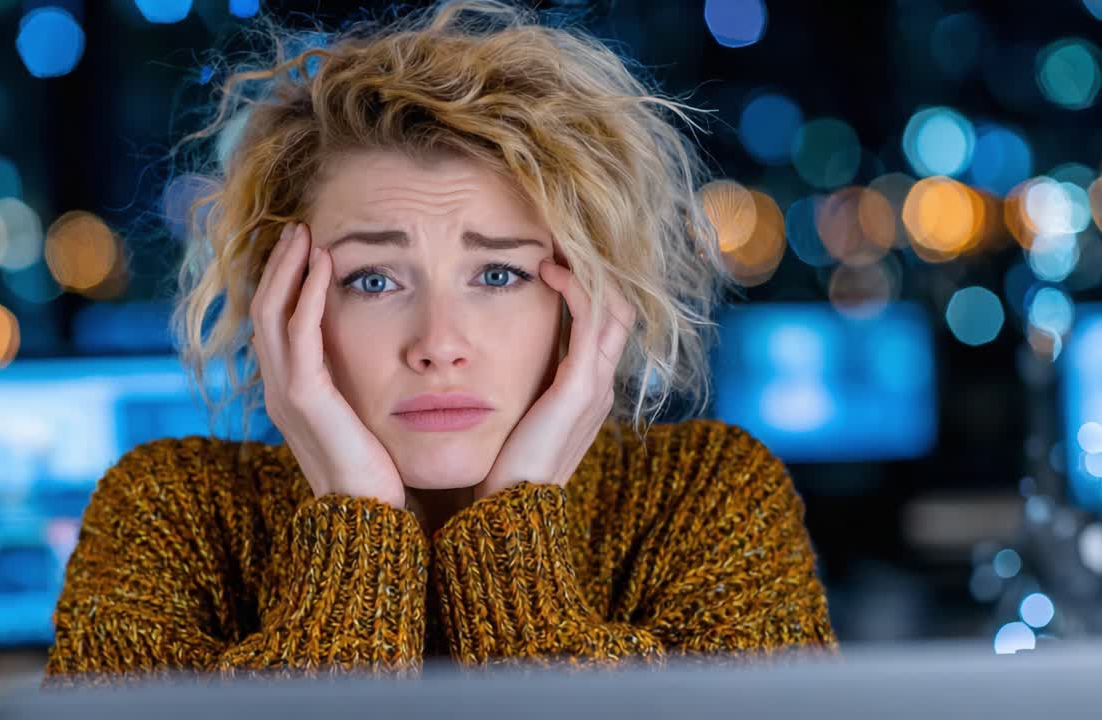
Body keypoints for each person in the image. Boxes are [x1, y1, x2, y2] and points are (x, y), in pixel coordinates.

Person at [42, 0, 839, 687]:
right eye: (373, 281)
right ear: (284, 303)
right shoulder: (170, 511)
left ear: (588, 298)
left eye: (497, 275)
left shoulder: (705, 497)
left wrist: (516, 535)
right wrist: (355, 524)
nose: (438, 345)